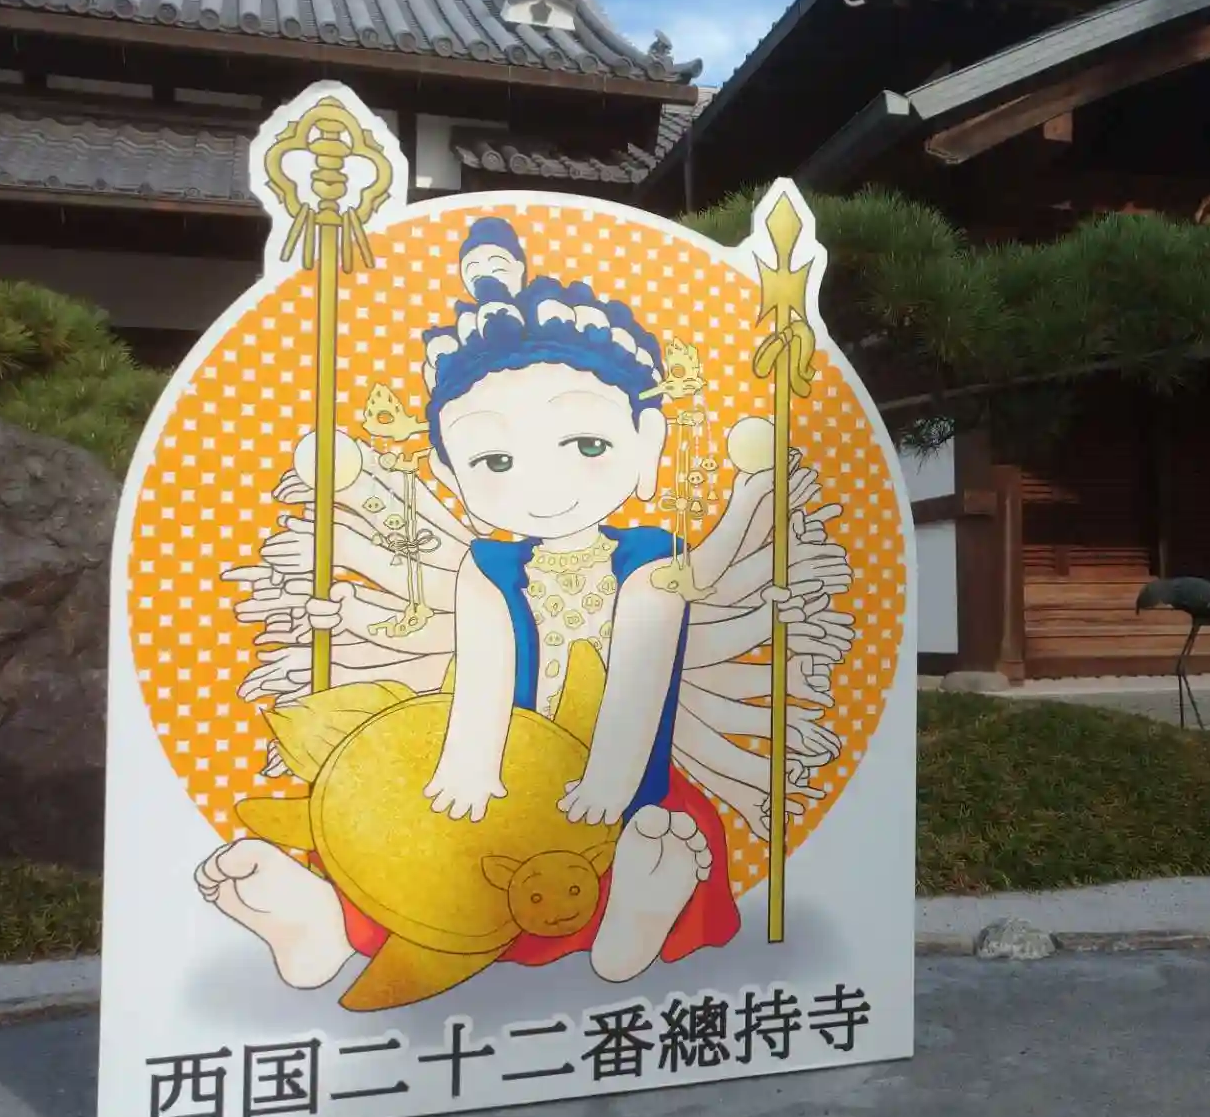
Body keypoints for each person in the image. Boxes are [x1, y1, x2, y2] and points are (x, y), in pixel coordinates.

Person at [198, 265, 792, 996]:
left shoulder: (653, 563)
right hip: (512, 775)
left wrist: (611, 780)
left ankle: (635, 911)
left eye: (586, 445)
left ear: (647, 443)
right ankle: (327, 924)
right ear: (452, 475)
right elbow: (482, 682)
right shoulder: (486, 568)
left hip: (626, 781)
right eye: (496, 460)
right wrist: (469, 766)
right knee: (427, 837)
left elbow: (639, 682)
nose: (543, 484)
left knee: (639, 831)